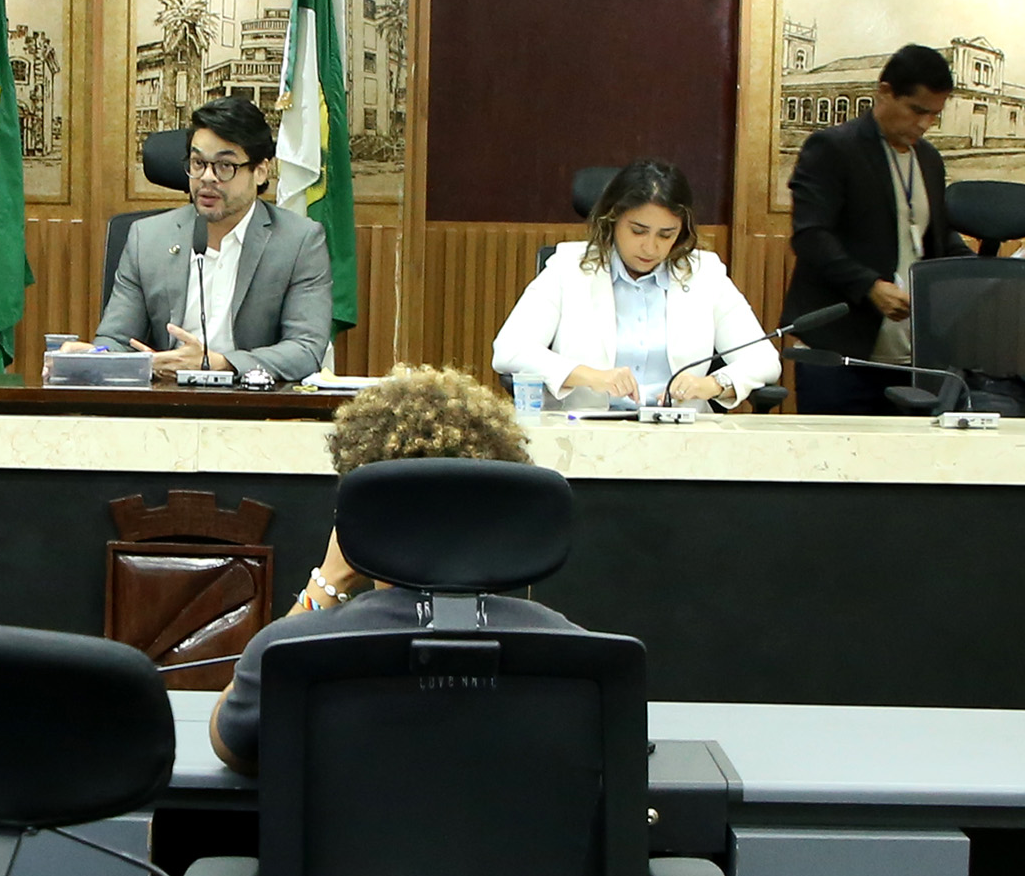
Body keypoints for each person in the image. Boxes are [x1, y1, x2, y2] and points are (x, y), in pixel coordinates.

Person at [208, 366, 579, 775]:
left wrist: (326, 583)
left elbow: (232, 747)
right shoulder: (574, 654)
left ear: (360, 517)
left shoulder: (290, 653)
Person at [492, 158, 779, 412]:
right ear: (613, 219)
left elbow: (764, 359)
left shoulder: (705, 274)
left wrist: (712, 385)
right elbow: (509, 349)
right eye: (638, 231)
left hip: (681, 436)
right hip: (586, 431)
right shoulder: (569, 268)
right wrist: (590, 376)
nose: (650, 248)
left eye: (666, 235)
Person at [781, 42, 971, 414]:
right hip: (840, 351)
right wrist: (869, 286)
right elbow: (811, 236)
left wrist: (975, 270)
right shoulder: (833, 148)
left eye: (934, 115)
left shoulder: (929, 159)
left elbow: (936, 235)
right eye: (917, 110)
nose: (924, 124)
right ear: (885, 92)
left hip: (913, 356)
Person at [94, 95, 336, 383]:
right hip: (165, 396)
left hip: (254, 401)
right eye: (198, 163)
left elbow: (305, 350)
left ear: (260, 171)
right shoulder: (146, 238)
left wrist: (218, 364)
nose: (207, 178)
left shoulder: (299, 241)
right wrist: (91, 356)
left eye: (224, 166)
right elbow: (115, 340)